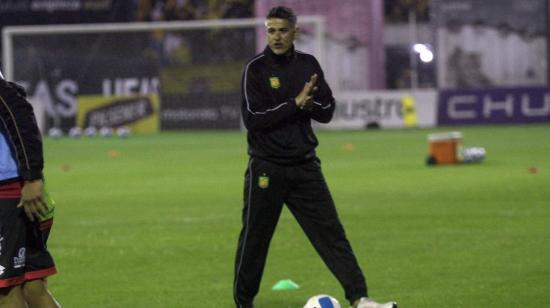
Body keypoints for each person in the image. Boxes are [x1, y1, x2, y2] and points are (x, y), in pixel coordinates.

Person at [233, 6, 397, 308]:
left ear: (295, 32)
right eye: (271, 30)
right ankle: (243, 304)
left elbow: (327, 111)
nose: (277, 36)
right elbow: (253, 118)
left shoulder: (308, 65)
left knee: (332, 235)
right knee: (255, 240)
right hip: (266, 167)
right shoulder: (254, 69)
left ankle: (360, 298)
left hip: (305, 166)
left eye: (283, 30)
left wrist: (309, 107)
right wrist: (295, 104)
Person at [0, 70, 60, 307]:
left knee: (5, 292)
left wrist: (32, 175)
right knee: (32, 288)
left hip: (8, 191)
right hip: (17, 187)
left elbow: (17, 107)